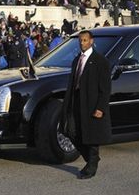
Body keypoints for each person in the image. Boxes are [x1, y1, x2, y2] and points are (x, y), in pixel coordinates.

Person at [60, 30, 111, 179]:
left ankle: (91, 165)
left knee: (92, 135)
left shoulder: (100, 61)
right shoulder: (77, 60)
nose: (82, 43)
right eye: (80, 40)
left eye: (85, 40)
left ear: (91, 41)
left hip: (92, 103)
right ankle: (91, 159)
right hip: (76, 100)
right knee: (71, 131)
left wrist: (100, 107)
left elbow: (105, 88)